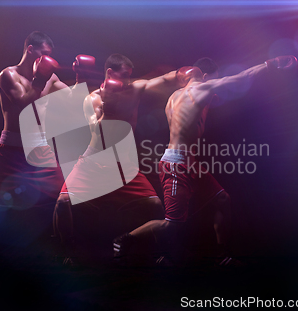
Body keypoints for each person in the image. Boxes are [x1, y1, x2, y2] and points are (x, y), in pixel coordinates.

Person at [113, 55, 298, 266]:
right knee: (173, 223)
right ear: (207, 76)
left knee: (222, 199)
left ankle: (221, 256)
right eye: (214, 80)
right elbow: (240, 77)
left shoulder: (174, 96)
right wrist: (269, 65)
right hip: (176, 164)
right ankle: (126, 239)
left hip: (188, 163)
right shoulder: (200, 89)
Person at [54, 53, 194, 264]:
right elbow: (96, 132)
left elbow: (162, 81)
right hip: (93, 161)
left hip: (122, 165)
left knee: (156, 206)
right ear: (110, 73)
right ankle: (67, 252)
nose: (128, 80)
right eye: (124, 75)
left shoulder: (134, 89)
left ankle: (158, 254)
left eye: (130, 75)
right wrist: (108, 109)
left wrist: (182, 75)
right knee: (63, 203)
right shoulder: (92, 99)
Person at [0, 31, 69, 258]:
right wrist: (39, 78)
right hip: (11, 151)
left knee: (64, 199)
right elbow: (25, 104)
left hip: (40, 150)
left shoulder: (51, 78)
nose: (47, 58)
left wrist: (81, 78)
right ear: (30, 49)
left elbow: (75, 98)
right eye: (44, 53)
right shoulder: (8, 75)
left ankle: (65, 250)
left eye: (49, 55)